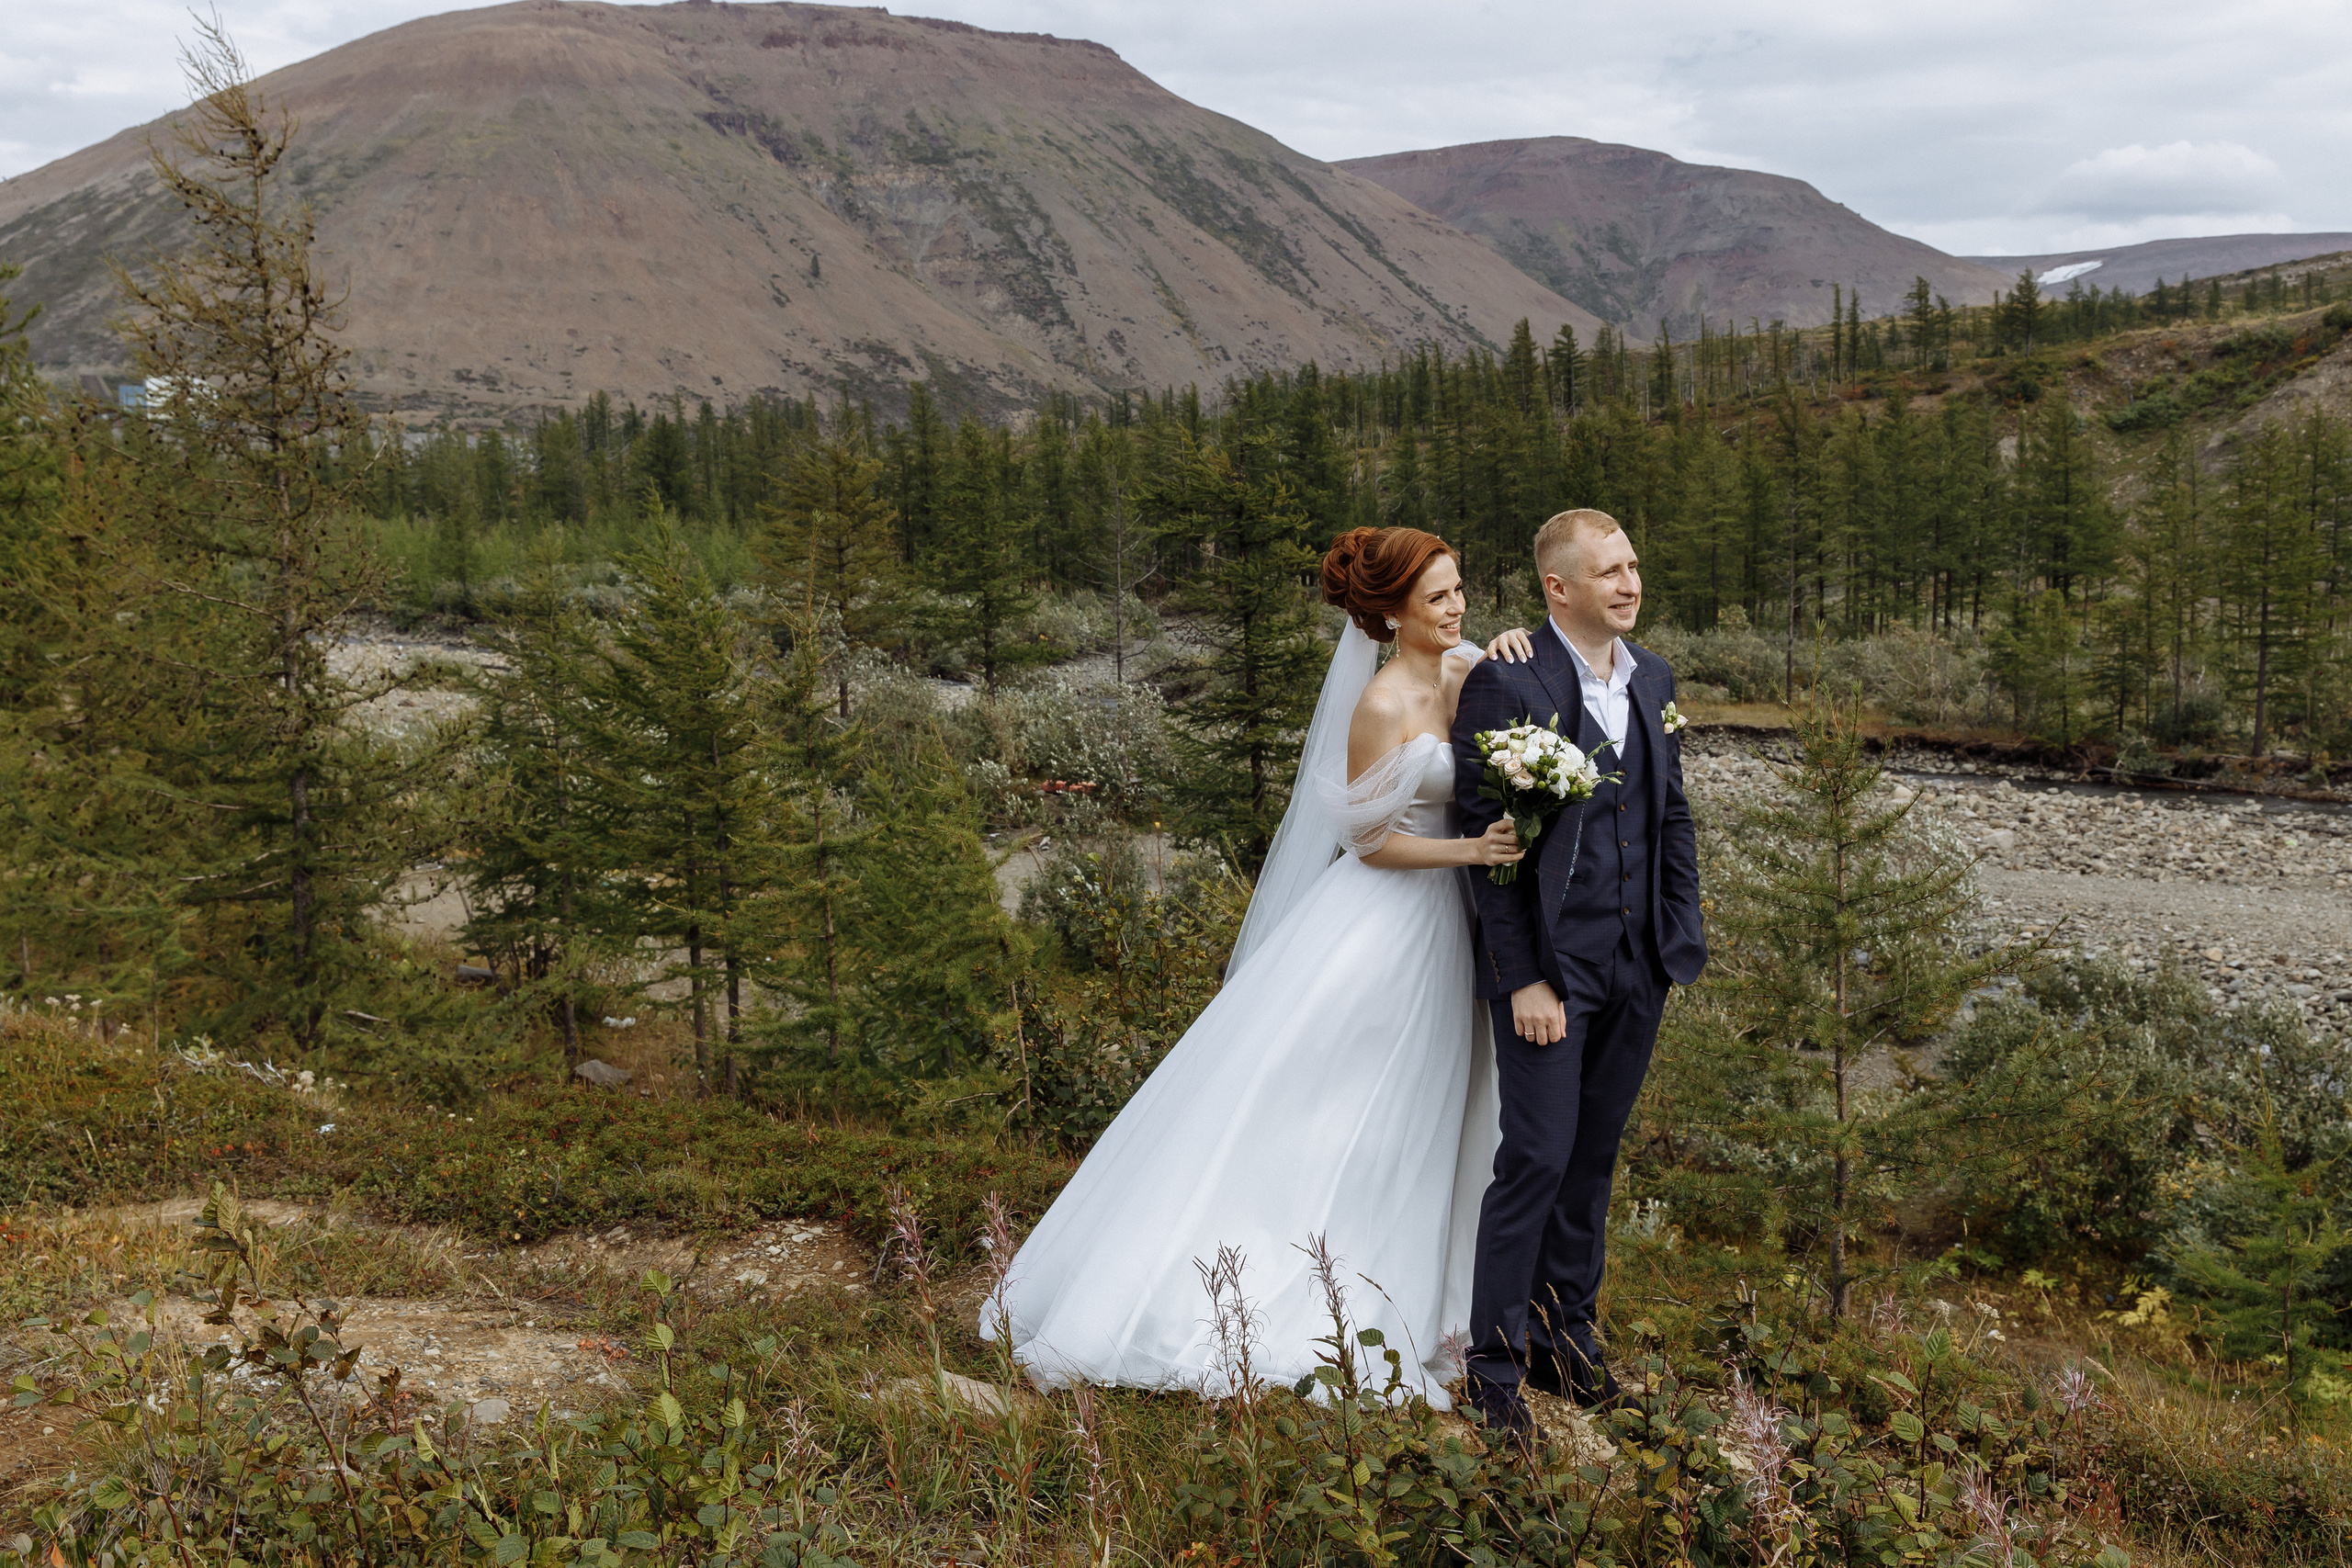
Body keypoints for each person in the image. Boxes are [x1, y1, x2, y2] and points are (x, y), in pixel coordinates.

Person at [986, 527, 1532, 1403]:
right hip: (1386, 926)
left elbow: (1509, 671)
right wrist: (1468, 851)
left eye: (1461, 589)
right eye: (1438, 597)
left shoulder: (1464, 669)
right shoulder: (1384, 705)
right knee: (1340, 1105)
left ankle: (1428, 1299)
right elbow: (1366, 840)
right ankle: (1277, 1287)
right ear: (1391, 612)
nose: (1457, 607)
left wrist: (1505, 646)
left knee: (1426, 1109)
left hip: (1451, 929)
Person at [1450, 508, 1707, 1440]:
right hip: (1553, 976)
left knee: (1591, 1164)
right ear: (1559, 588)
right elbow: (1490, 847)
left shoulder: (1656, 678)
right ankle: (1493, 1370)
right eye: (1607, 571)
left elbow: (1669, 815)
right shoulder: (1505, 681)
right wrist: (1521, 979)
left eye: (1633, 564)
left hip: (1640, 962)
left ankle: (1570, 1340)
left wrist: (1679, 931)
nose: (1629, 582)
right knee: (1535, 1161)